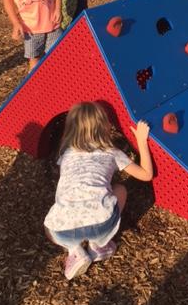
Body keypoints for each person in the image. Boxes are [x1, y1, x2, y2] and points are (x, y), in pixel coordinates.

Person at [44, 102, 153, 280]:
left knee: (50, 226)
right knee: (120, 189)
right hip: (101, 223)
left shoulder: (66, 154)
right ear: (104, 127)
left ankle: (74, 251)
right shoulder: (112, 152)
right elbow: (146, 174)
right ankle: (98, 246)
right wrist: (141, 141)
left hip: (61, 231)